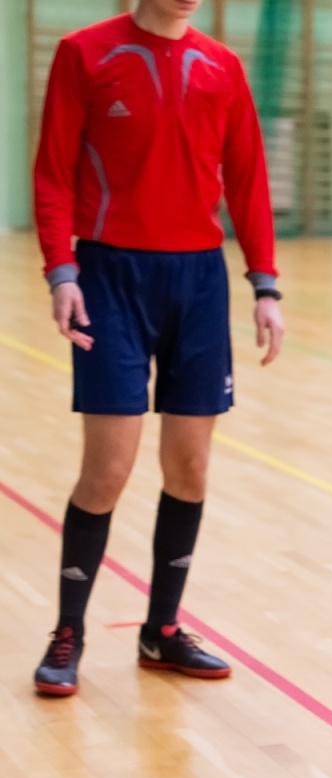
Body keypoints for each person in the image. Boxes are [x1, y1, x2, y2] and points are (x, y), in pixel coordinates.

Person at [31, 0, 285, 697]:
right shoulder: (85, 53)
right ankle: (68, 631)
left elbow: (247, 176)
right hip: (109, 277)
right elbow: (53, 173)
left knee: (191, 467)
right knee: (107, 469)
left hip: (198, 282)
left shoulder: (223, 67)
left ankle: (162, 630)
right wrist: (61, 271)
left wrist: (264, 282)